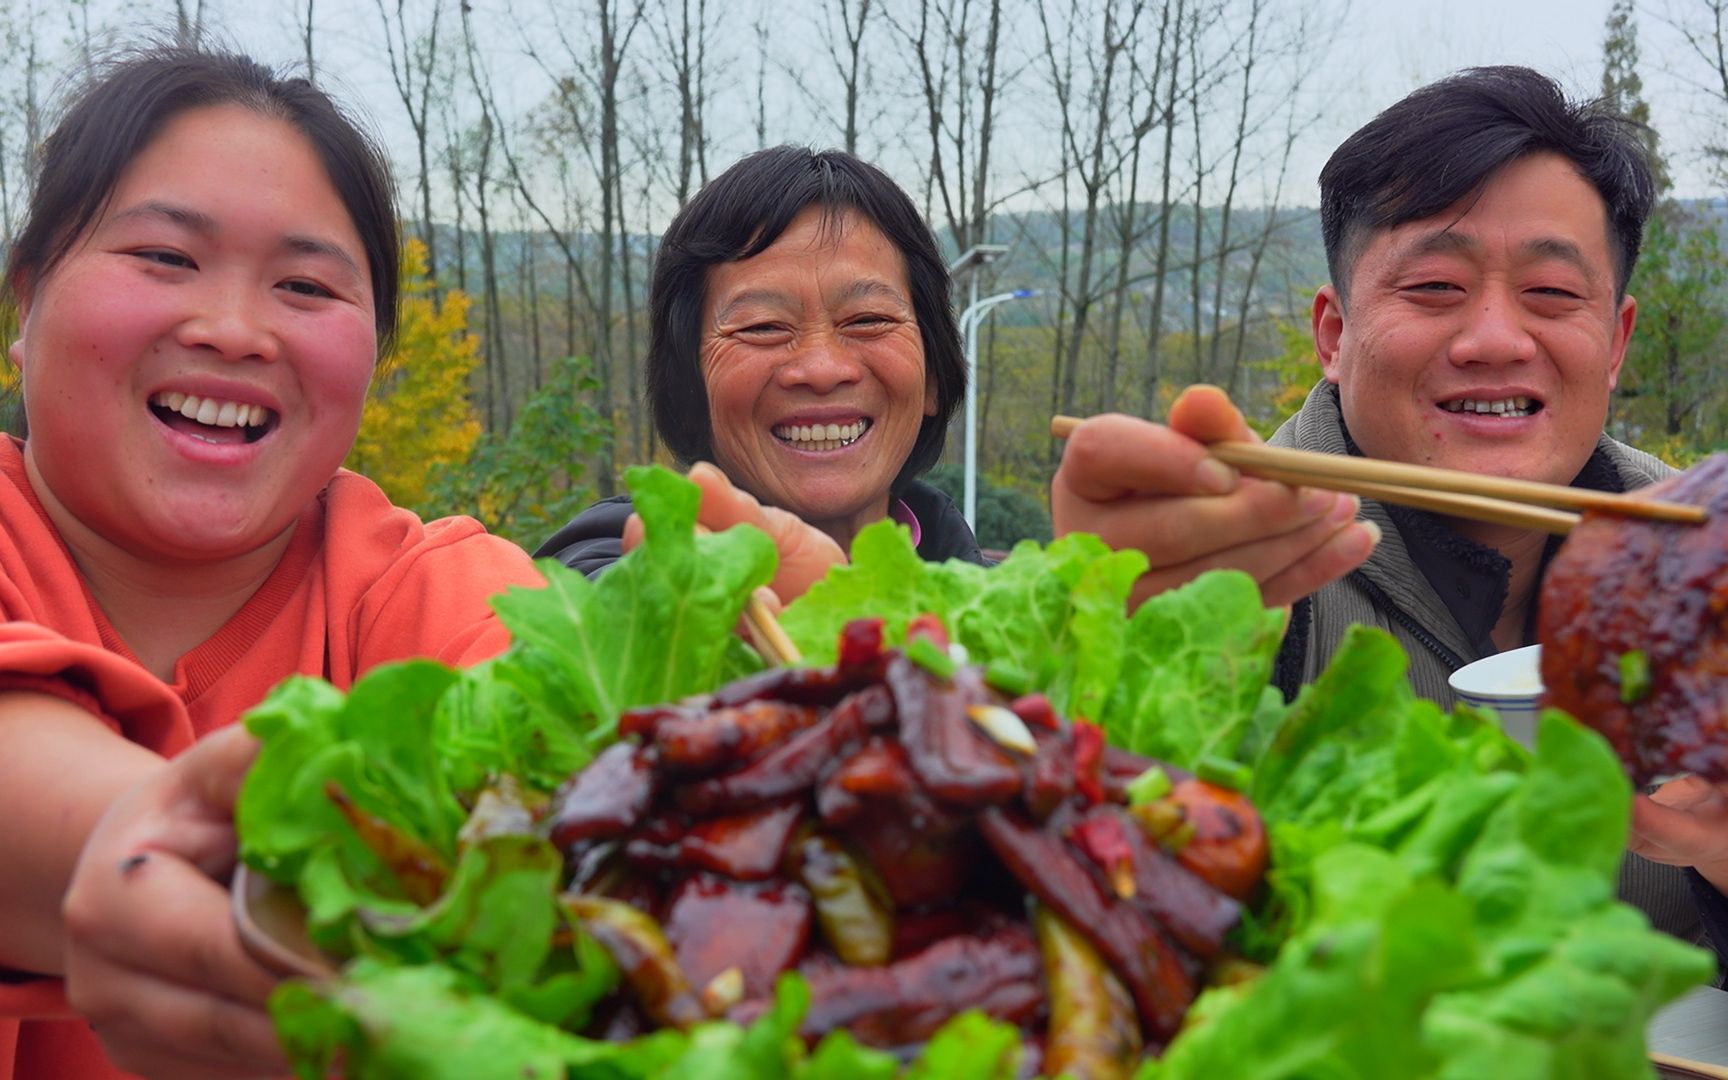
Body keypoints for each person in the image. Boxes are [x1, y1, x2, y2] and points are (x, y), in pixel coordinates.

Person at [0, 46, 544, 1079]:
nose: (235, 330)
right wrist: (148, 841)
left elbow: (563, 755)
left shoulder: (430, 593)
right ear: (26, 300)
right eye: (164, 257)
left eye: (305, 285)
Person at [538, 145, 1380, 611]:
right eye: (761, 328)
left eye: (869, 321)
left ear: (935, 376)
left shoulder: (994, 591)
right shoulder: (601, 564)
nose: (825, 367)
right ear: (690, 378)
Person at [1263, 66, 1699, 942]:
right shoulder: (1246, 564)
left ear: (1614, 342)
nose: (1496, 339)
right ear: (1334, 335)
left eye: (1552, 295)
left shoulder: (1697, 556)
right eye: (1433, 289)